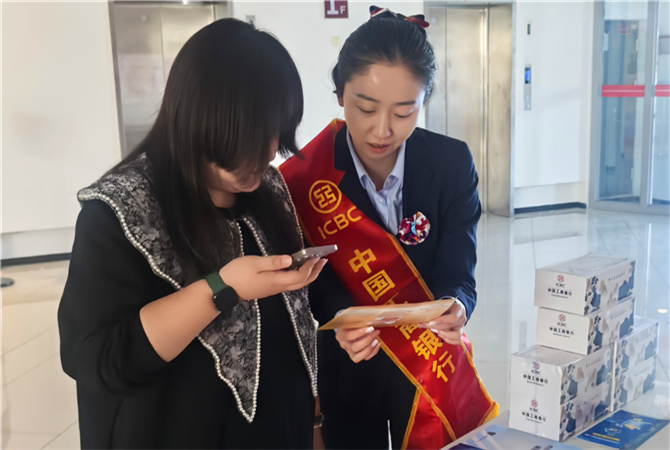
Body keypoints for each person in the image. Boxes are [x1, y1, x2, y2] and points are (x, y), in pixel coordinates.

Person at [58, 19, 327, 449]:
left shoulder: (269, 190)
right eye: (251, 135)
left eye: (276, 131)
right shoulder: (121, 209)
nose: (268, 151)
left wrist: (313, 425)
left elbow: (293, 335)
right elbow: (97, 358)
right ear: (199, 120)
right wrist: (223, 288)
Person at [280, 6, 497, 449]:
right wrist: (340, 320)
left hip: (428, 365)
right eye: (365, 108)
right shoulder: (304, 177)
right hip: (349, 365)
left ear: (423, 101)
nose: (382, 130)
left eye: (404, 112)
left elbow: (460, 265)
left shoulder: (451, 163)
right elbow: (310, 280)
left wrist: (457, 304)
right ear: (340, 94)